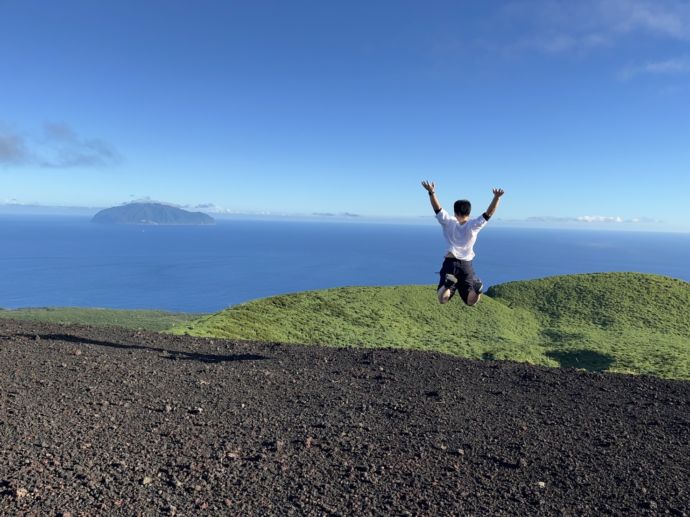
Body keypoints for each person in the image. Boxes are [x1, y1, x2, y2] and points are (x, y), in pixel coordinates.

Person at [421, 181, 504, 306]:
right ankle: (477, 290)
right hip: (466, 266)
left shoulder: (448, 222)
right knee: (470, 301)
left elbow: (437, 208)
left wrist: (431, 192)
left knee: (442, 299)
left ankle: (448, 284)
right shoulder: (473, 225)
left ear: (455, 212)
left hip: (450, 263)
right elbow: (489, 213)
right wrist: (496, 197)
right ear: (469, 213)